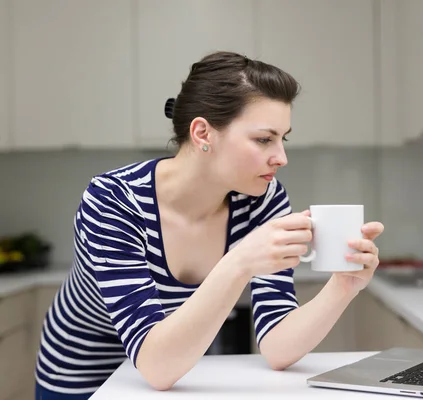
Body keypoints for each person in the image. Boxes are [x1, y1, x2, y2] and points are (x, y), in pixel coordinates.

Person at [34, 51, 384, 399]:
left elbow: (277, 346)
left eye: (283, 138)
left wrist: (343, 287)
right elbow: (156, 367)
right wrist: (240, 261)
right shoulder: (113, 200)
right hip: (83, 372)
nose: (281, 157)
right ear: (203, 133)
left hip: (179, 367)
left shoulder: (263, 198)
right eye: (264, 139)